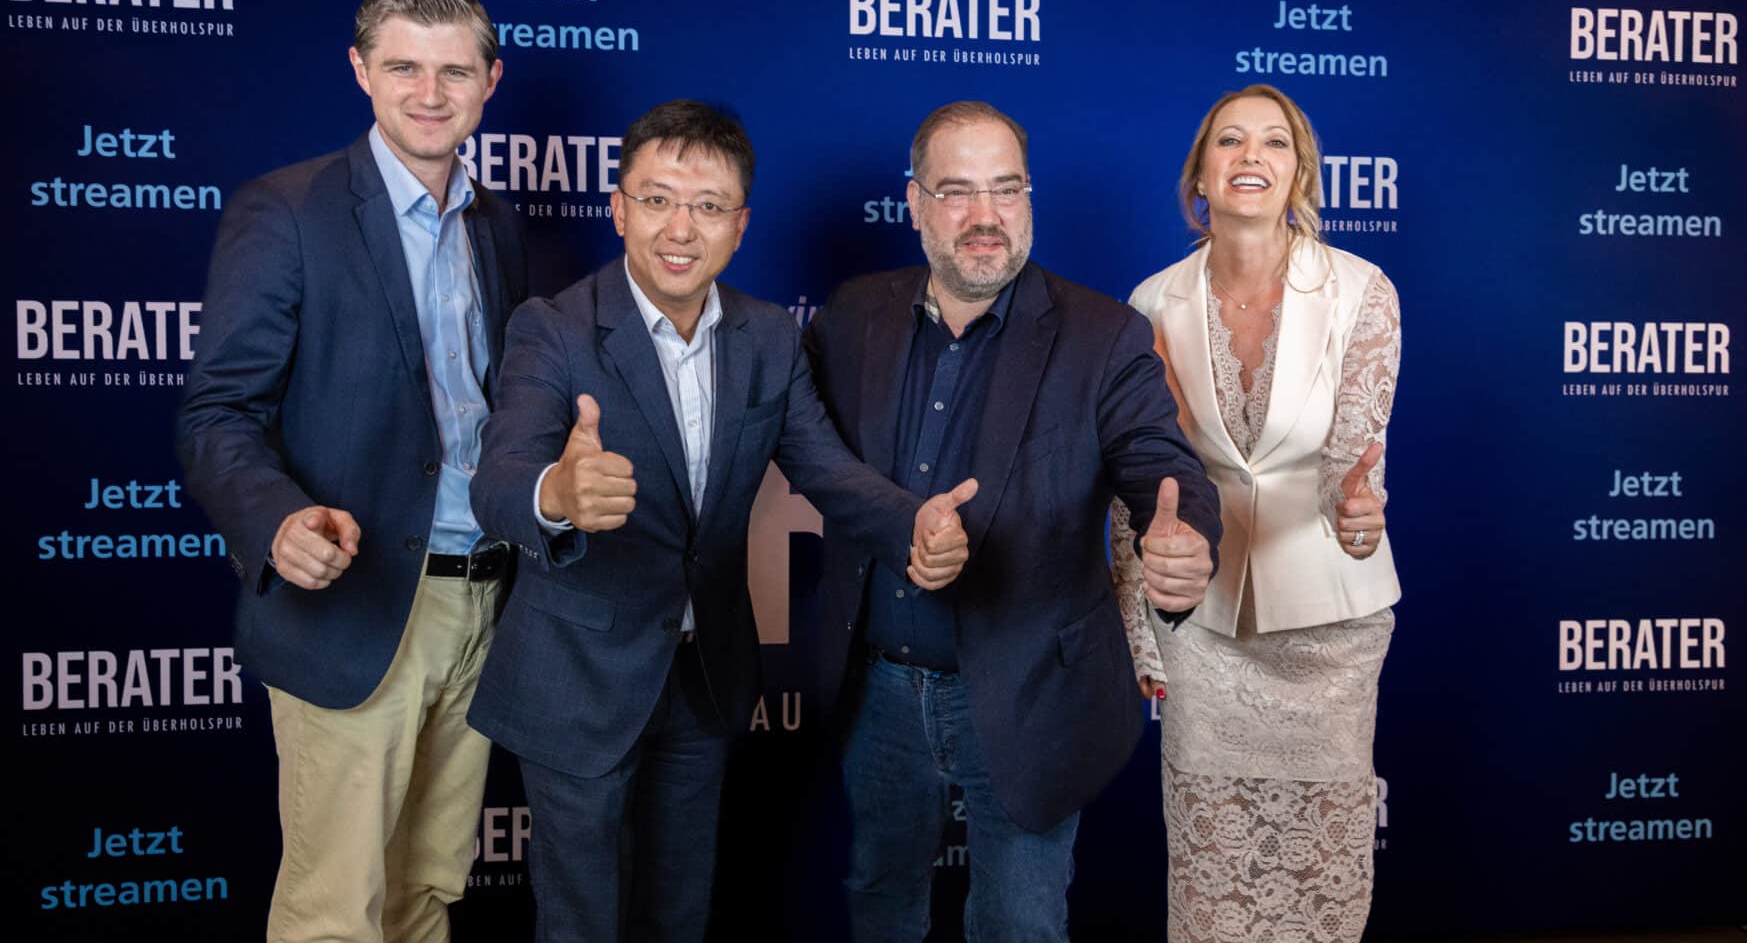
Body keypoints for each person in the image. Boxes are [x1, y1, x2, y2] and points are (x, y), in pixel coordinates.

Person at [465, 99, 976, 943]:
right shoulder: (553, 329)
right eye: (658, 198)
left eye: (707, 207)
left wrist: (909, 521)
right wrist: (556, 493)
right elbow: (500, 480)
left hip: (703, 680)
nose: (680, 227)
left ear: (738, 226)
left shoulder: (769, 336)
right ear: (619, 208)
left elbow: (824, 468)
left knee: (679, 914)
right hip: (577, 677)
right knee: (581, 923)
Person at [801, 100, 1223, 943]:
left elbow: (1158, 461)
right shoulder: (851, 314)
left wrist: (1186, 537)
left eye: (1005, 189)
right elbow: (809, 455)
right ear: (914, 201)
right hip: (877, 687)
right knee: (878, 901)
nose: (984, 217)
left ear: (1030, 197)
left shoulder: (1104, 335)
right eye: (956, 192)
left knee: (1019, 923)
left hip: (1033, 688)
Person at [176, 0, 526, 942]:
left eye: (453, 71)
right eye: (403, 67)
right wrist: (276, 517)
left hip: (482, 603)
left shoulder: (497, 227)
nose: (428, 92)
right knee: (336, 912)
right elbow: (217, 413)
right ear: (359, 72)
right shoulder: (286, 210)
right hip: (359, 607)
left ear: (489, 81)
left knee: (429, 892)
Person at [1111, 83, 1402, 943]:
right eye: (1229, 141)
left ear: (1298, 171)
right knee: (1211, 875)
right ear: (1199, 175)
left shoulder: (1361, 291)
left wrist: (1357, 516)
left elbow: (1355, 459)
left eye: (1273, 143)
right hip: (1200, 628)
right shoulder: (1147, 303)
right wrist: (1138, 619)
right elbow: (1142, 482)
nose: (1250, 157)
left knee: (1319, 871)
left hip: (1328, 624)